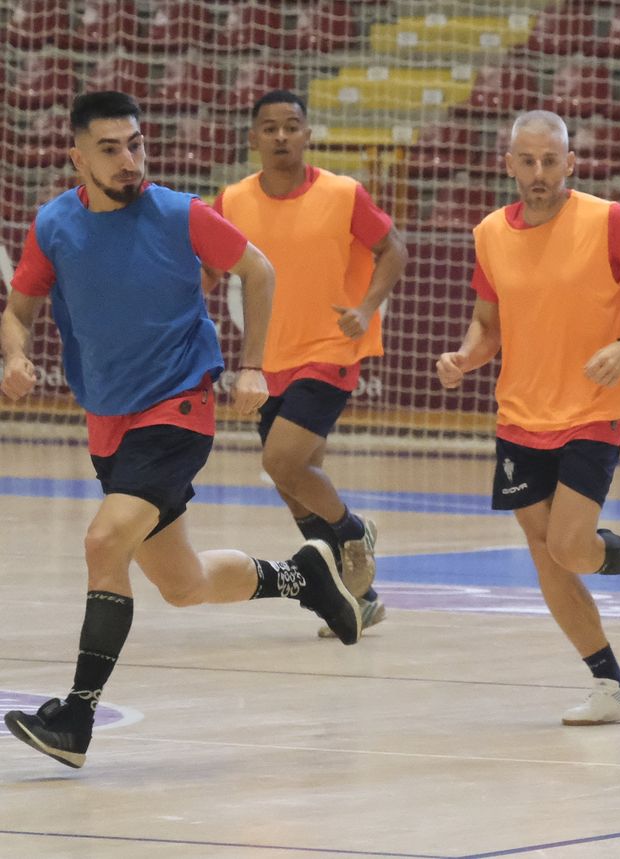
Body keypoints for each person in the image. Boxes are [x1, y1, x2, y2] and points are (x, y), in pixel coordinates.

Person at [0, 91, 363, 769]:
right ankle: (303, 576)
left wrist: (252, 364)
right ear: (76, 156)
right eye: (110, 148)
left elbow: (259, 269)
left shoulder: (180, 213)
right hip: (108, 418)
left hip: (178, 407)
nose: (129, 158)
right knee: (182, 582)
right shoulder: (53, 225)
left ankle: (75, 716)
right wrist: (15, 354)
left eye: (136, 143)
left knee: (104, 540)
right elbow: (17, 309)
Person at [435, 110, 620, 726]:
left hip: (591, 407)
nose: (538, 173)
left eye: (550, 161)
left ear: (569, 163)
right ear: (509, 165)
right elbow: (487, 323)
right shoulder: (489, 234)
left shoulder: (608, 221)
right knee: (546, 553)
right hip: (518, 414)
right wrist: (466, 359)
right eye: (526, 161)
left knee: (572, 545)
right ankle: (610, 684)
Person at [214, 90, 409, 635]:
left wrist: (367, 308)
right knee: (294, 481)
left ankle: (352, 533)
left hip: (330, 349)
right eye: (270, 128)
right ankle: (360, 596)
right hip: (266, 359)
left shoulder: (343, 194)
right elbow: (205, 264)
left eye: (292, 126)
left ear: (307, 135)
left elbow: (394, 249)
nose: (281, 137)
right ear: (253, 138)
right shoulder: (230, 201)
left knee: (282, 462)